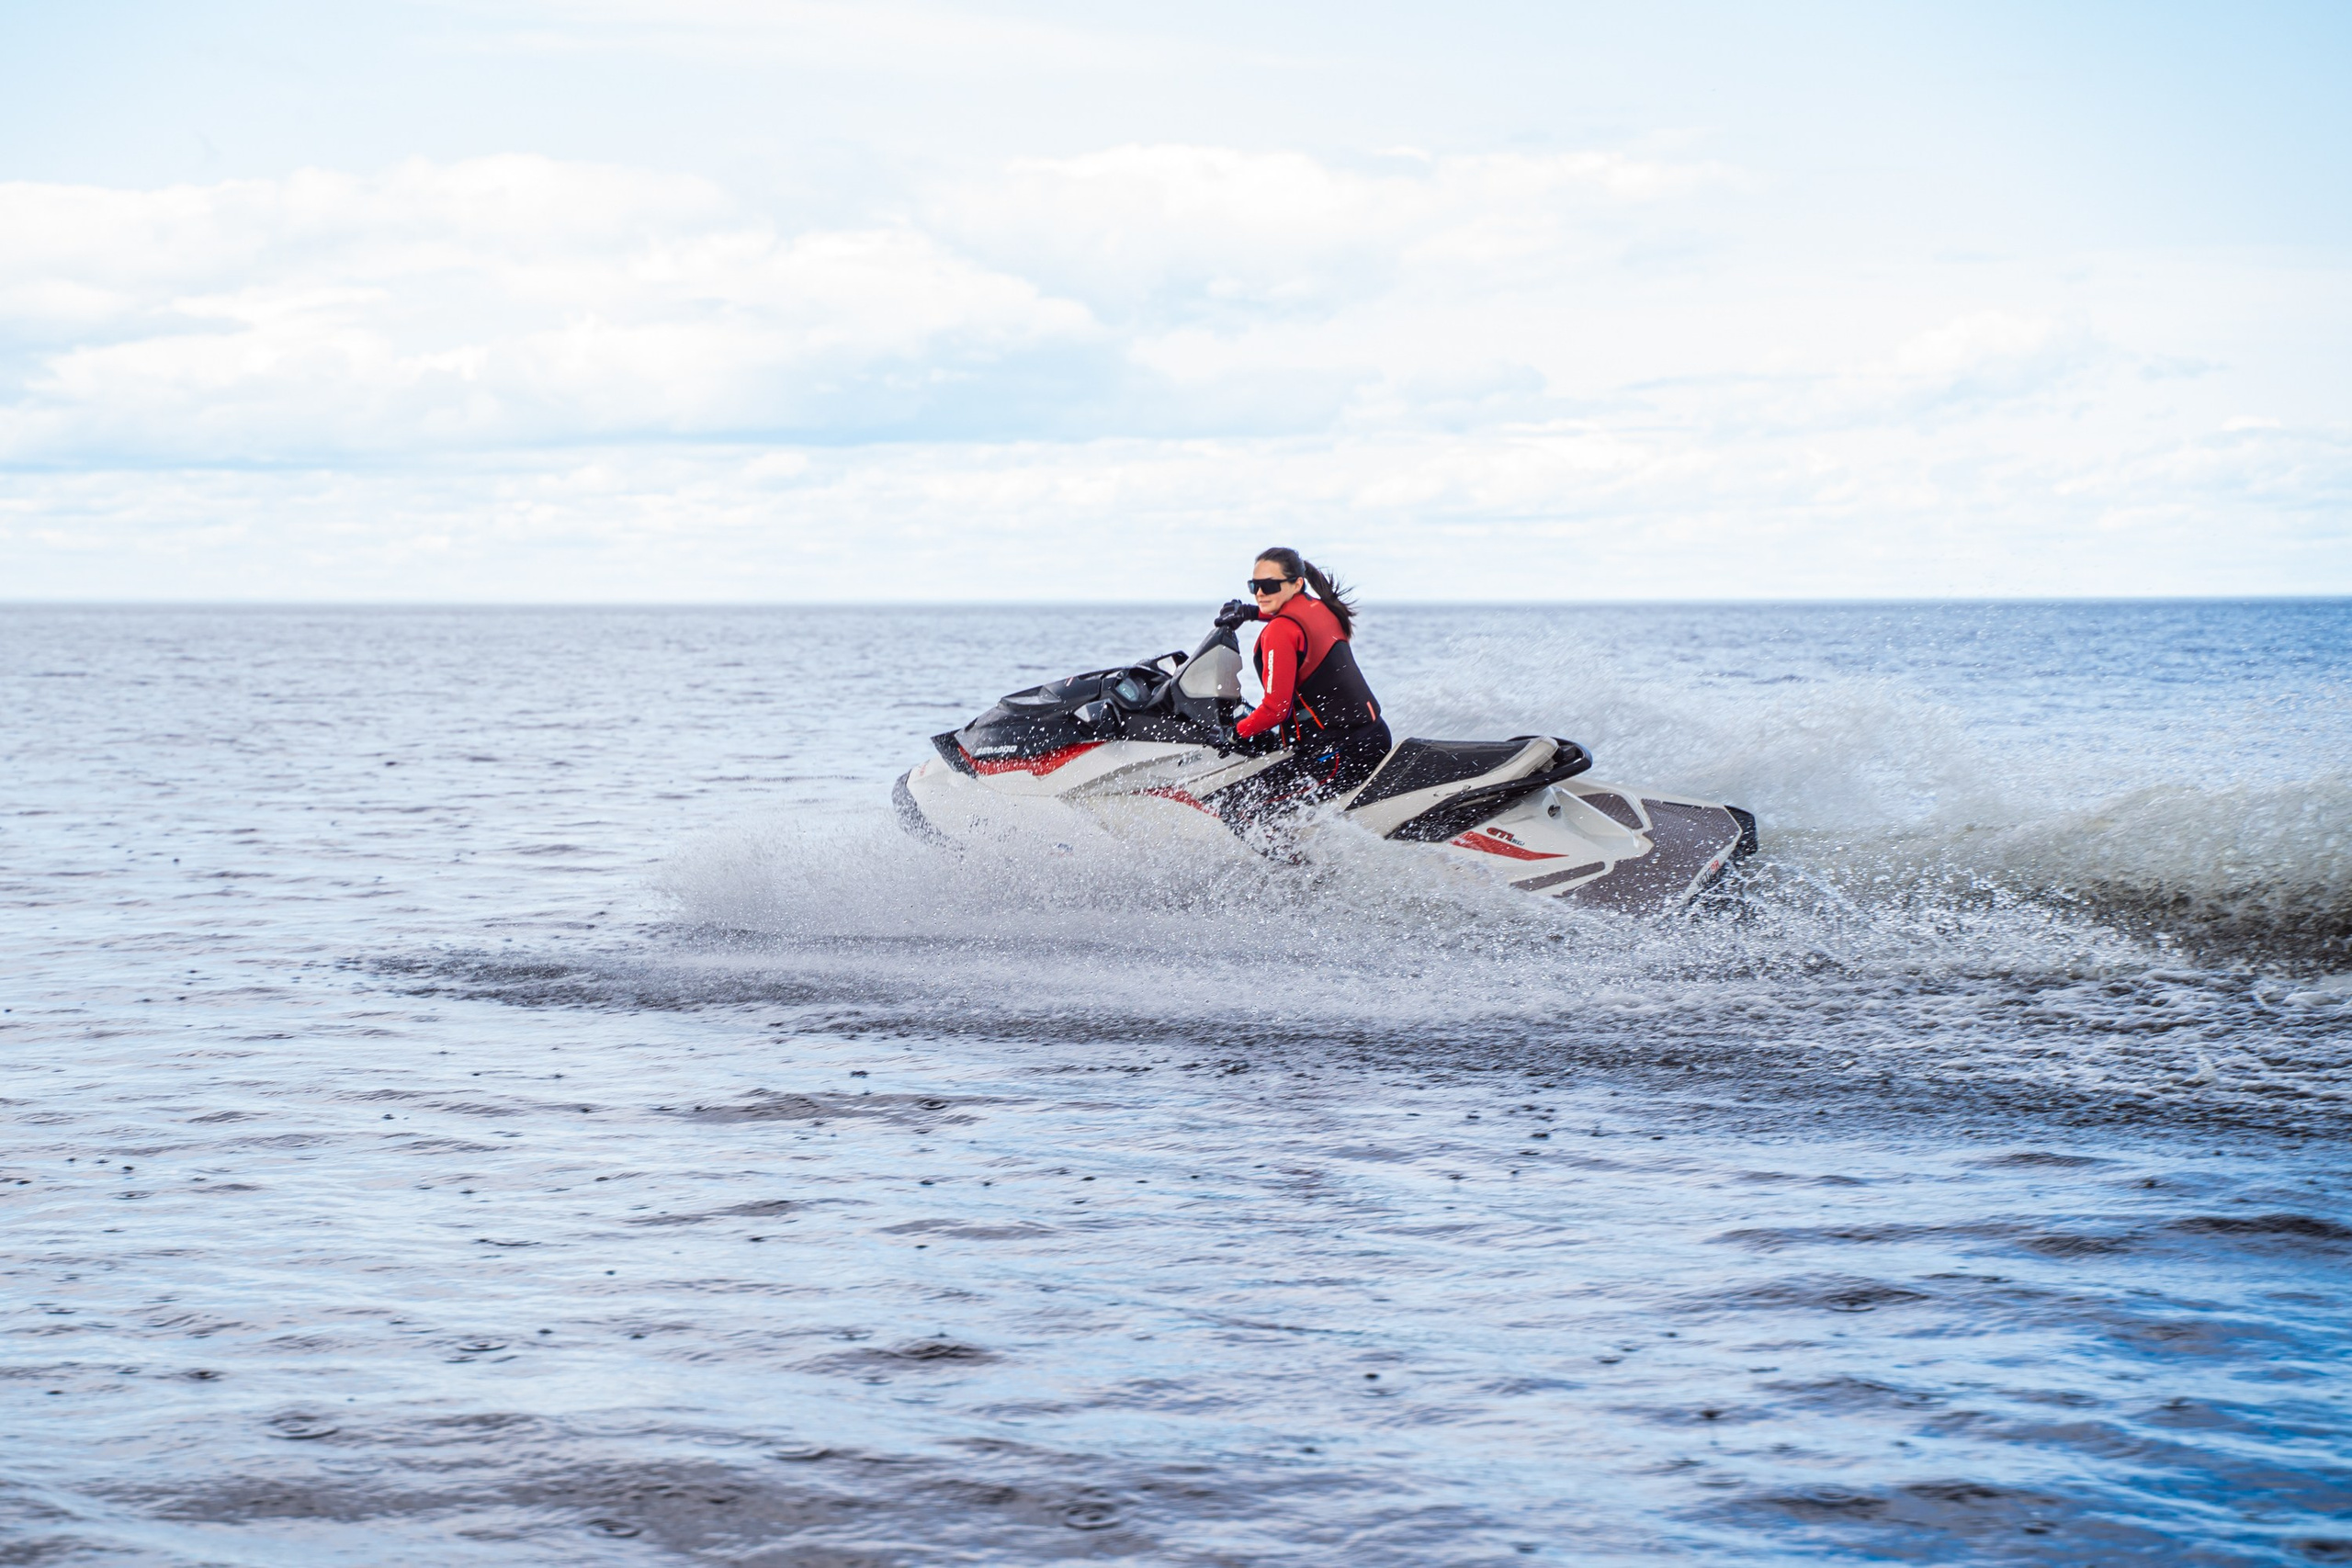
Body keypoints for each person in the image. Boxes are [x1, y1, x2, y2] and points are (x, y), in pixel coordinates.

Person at [1208, 547, 1392, 843]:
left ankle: (1300, 881)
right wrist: (1250, 613)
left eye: (1269, 586)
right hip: (1370, 737)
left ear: (1296, 584)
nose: (1259, 593)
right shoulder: (1320, 608)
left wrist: (1233, 733)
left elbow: (1275, 709)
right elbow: (1297, 623)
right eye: (1254, 586)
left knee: (1236, 807)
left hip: (1339, 754)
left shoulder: (1281, 631)